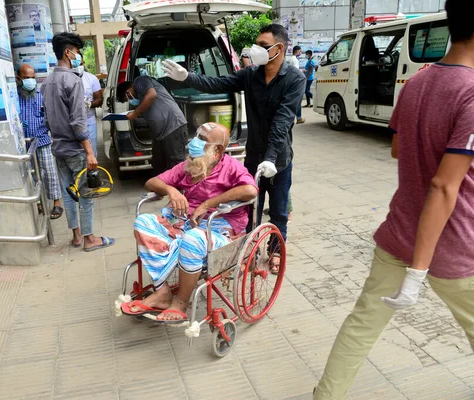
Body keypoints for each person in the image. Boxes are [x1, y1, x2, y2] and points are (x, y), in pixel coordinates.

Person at [314, 1, 474, 398]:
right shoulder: (471, 94)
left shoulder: (417, 82)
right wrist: (419, 273)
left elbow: (399, 150)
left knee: (362, 325)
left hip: (399, 234)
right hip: (450, 245)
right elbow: (443, 187)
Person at [162, 24, 305, 258]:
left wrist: (270, 159)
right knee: (249, 207)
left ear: (278, 49)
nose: (256, 49)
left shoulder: (294, 79)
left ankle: (276, 251)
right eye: (256, 44)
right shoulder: (250, 75)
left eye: (262, 46)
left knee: (278, 212)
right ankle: (247, 250)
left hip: (278, 160)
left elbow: (283, 121)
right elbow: (218, 83)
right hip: (254, 155)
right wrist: (187, 77)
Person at [122, 123, 258, 322]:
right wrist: (172, 191)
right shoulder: (190, 165)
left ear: (218, 150)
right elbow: (151, 182)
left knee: (193, 239)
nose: (194, 142)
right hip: (184, 222)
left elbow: (250, 190)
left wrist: (207, 204)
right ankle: (162, 292)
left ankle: (181, 303)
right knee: (143, 222)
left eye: (202, 140)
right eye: (196, 136)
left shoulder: (231, 167)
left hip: (219, 229)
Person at [42, 32, 115, 252]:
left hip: (58, 148)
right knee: (86, 192)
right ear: (68, 52)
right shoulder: (72, 81)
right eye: (77, 51)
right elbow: (77, 121)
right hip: (75, 148)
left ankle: (76, 235)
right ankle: (90, 239)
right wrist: (90, 151)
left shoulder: (46, 83)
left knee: (67, 192)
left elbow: (47, 119)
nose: (78, 55)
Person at [17, 63, 63, 220]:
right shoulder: (15, 97)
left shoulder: (41, 95)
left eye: (32, 78)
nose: (30, 81)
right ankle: (37, 203)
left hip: (42, 140)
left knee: (49, 172)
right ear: (19, 78)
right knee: (31, 175)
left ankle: (56, 203)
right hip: (25, 144)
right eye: (26, 78)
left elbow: (50, 116)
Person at [116, 76, 187, 175]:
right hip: (160, 133)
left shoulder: (140, 80)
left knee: (175, 162)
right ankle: (163, 186)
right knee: (158, 163)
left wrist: (135, 113)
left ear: (127, 93)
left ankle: (179, 189)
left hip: (173, 126)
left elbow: (152, 95)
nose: (130, 100)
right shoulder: (141, 100)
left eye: (127, 99)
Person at [76, 53, 103, 156]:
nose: (78, 66)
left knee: (91, 153)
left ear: (84, 63)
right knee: (77, 155)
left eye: (80, 63)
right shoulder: (65, 79)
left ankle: (92, 172)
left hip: (89, 122)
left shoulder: (92, 79)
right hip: (71, 123)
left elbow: (100, 99)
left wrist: (88, 104)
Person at [289, 46, 306, 124]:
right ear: (296, 51)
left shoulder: (292, 59)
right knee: (298, 100)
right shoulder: (295, 60)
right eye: (300, 51)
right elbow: (295, 71)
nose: (301, 53)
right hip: (296, 82)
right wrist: (301, 71)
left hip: (292, 81)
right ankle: (299, 118)